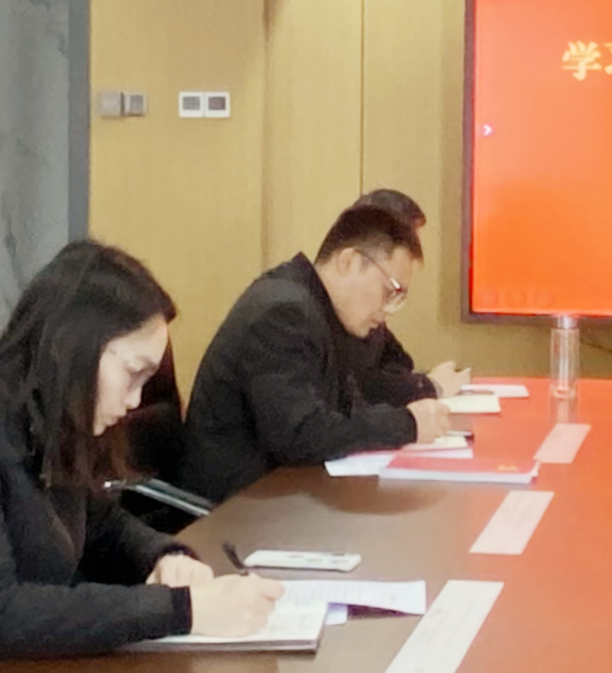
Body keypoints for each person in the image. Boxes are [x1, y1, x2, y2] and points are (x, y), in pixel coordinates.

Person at [0, 242, 284, 673]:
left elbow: (102, 527)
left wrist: (163, 557)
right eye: (133, 373)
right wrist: (180, 610)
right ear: (74, 348)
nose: (135, 401)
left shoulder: (49, 425)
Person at [179, 201, 456, 501]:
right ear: (349, 261)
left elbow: (345, 410)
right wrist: (407, 425)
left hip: (283, 495)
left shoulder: (319, 310)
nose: (388, 309)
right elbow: (300, 435)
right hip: (237, 509)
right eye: (389, 291)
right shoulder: (284, 313)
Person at [343, 188, 472, 409]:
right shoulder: (319, 312)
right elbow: (362, 385)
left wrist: (417, 384)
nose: (415, 258)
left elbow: (399, 363)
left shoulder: (372, 308)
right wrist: (428, 386)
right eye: (411, 247)